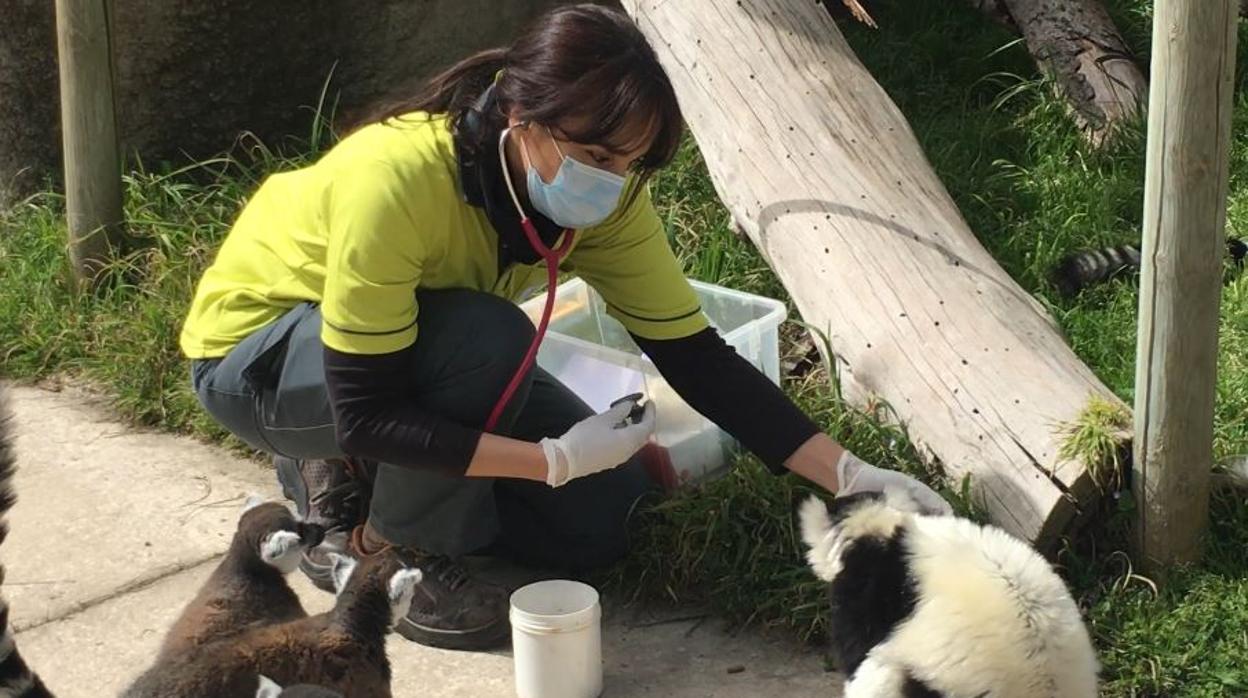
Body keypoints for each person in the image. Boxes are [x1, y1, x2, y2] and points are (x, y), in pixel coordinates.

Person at [179, 3, 951, 653]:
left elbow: (697, 358)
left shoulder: (605, 201)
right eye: (592, 154)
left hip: (406, 355)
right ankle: (383, 550)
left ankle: (375, 478)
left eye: (632, 163)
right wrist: (547, 459)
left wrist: (849, 476)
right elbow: (370, 409)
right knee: (486, 342)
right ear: (522, 117)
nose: (609, 182)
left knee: (601, 520)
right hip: (263, 358)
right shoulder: (396, 180)